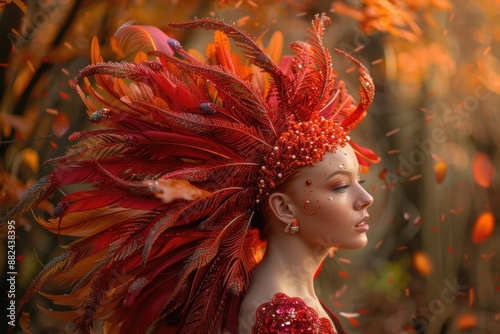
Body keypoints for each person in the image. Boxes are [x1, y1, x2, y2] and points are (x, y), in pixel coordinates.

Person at [3, 13, 379, 333]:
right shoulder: (286, 316)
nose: (366, 199)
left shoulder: (287, 299)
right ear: (283, 208)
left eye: (357, 182)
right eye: (341, 186)